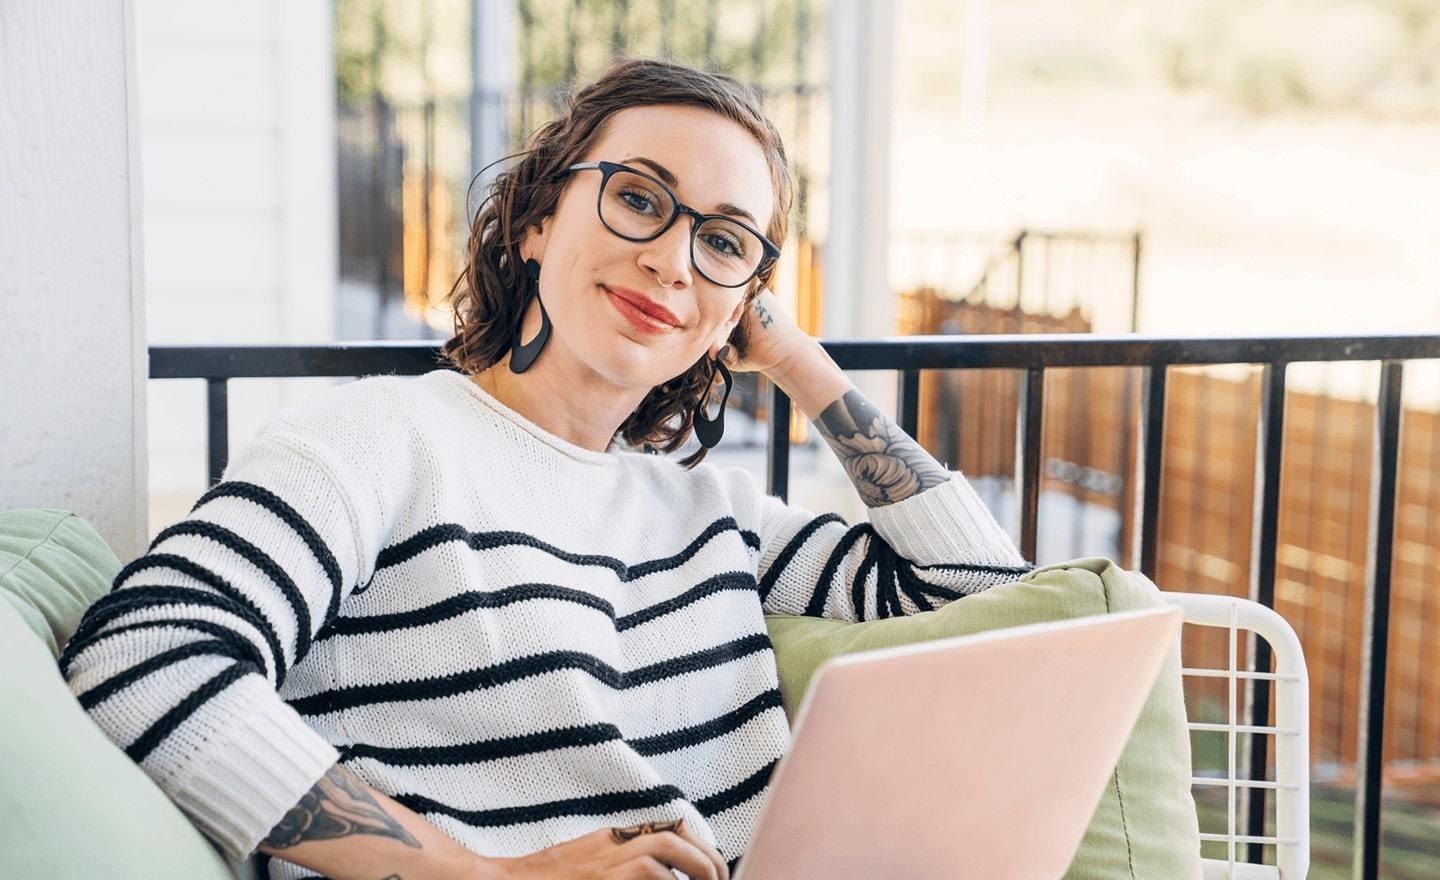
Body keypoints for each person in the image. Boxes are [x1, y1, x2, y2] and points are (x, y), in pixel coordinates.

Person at [62, 58, 1030, 880]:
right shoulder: (382, 441)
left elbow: (986, 594)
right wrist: (484, 876)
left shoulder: (717, 515)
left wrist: (794, 361)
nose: (673, 261)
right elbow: (145, 653)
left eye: (724, 241)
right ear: (536, 220)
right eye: (640, 198)